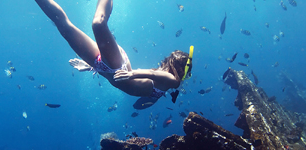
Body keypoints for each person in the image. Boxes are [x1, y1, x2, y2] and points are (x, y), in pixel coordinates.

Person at [34, 0, 193, 109]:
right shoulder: (173, 81)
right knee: (98, 23)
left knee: (64, 28)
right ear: (182, 69)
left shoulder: (164, 86)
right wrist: (131, 74)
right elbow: (150, 73)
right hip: (117, 64)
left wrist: (91, 68)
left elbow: (142, 87)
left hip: (103, 66)